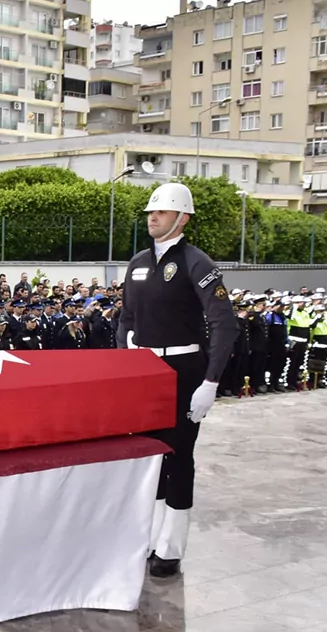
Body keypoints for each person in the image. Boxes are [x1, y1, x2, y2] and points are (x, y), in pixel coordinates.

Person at [116, 182, 238, 579]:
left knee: (179, 457)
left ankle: (171, 547)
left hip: (184, 370)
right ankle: (148, 537)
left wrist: (210, 381)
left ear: (182, 218)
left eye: (162, 213)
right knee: (150, 457)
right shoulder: (136, 263)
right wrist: (126, 353)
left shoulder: (196, 263)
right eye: (151, 212)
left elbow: (224, 324)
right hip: (145, 372)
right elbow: (126, 319)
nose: (153, 218)